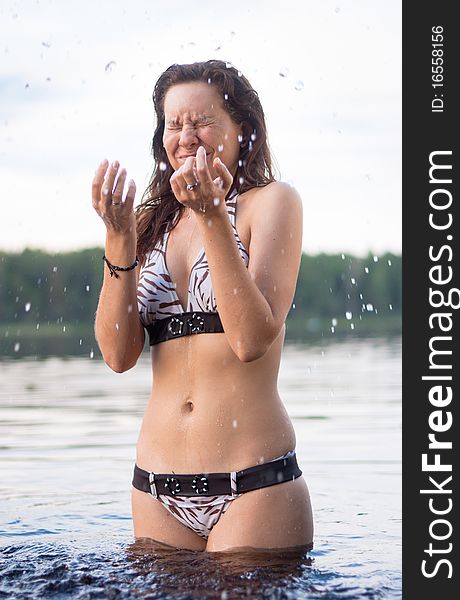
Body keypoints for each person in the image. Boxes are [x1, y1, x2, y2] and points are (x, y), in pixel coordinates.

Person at [92, 59, 314, 553]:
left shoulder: (271, 202)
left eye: (202, 121)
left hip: (253, 489)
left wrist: (212, 216)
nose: (186, 136)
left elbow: (252, 339)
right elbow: (117, 354)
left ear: (243, 130)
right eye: (174, 124)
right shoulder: (149, 224)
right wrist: (118, 238)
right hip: (156, 491)